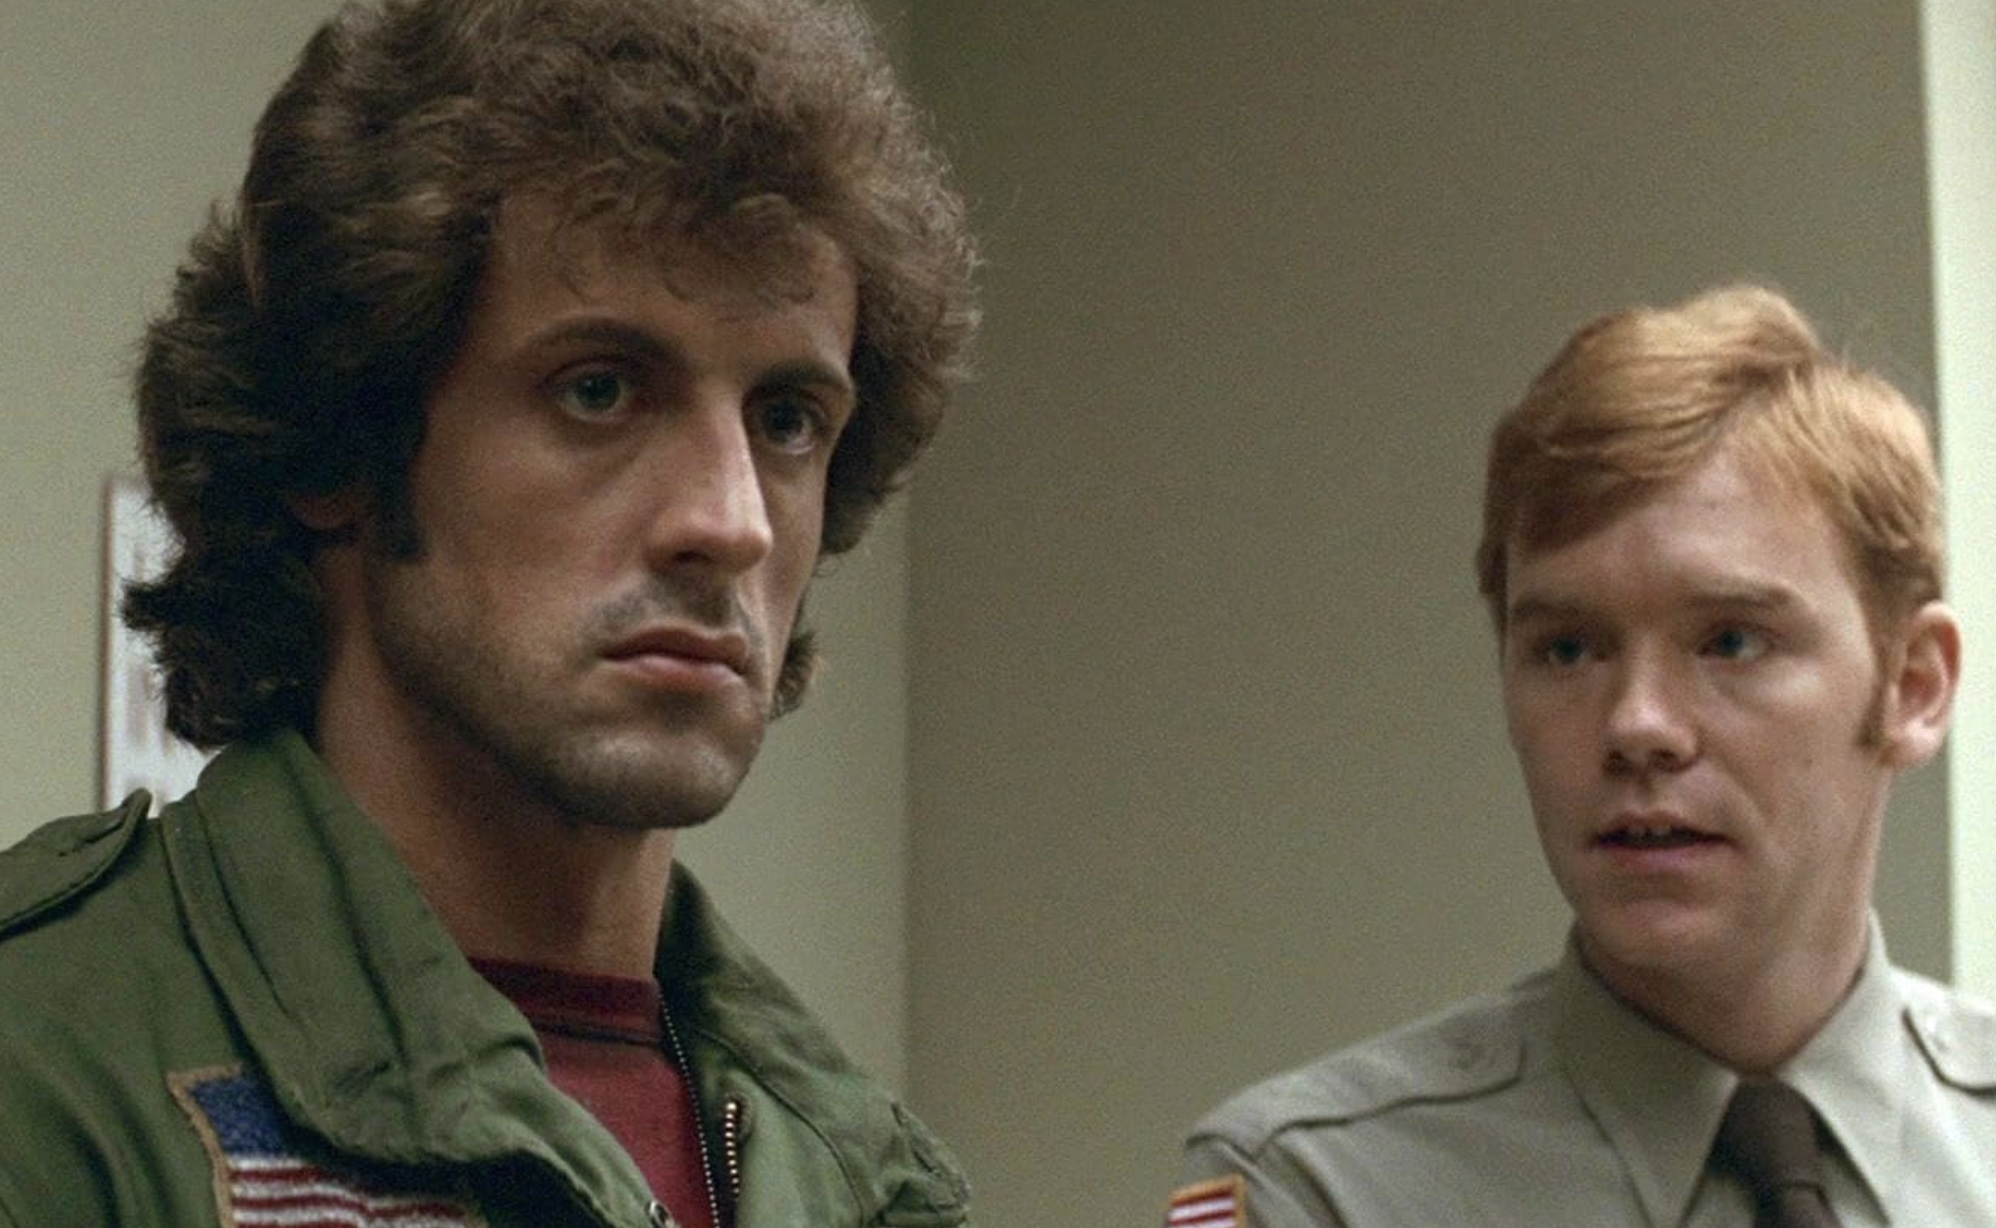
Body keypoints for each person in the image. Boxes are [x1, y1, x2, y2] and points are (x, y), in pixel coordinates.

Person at [0, 1, 977, 1225]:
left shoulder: (860, 1174)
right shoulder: (45, 1067)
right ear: (337, 447)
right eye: (600, 390)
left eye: (786, 420)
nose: (732, 521)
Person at [1169, 284, 1996, 1226]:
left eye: (1731, 641)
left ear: (1914, 687)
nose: (1637, 724)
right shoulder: (1322, 1188)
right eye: (1568, 650)